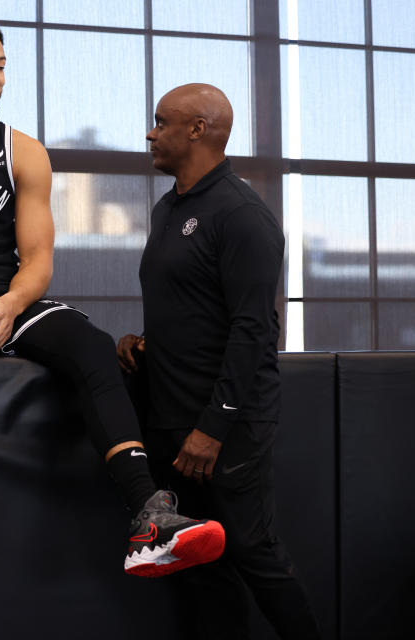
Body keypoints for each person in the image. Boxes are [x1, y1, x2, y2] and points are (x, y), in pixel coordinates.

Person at [0, 16, 225, 622]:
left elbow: (40, 259)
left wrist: (10, 305)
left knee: (90, 343)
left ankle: (149, 514)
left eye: (0, 65)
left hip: (6, 297)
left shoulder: (23, 150)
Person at [117, 83, 321, 638]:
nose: (150, 133)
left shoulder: (242, 214)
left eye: (161, 122)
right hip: (171, 419)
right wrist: (143, 343)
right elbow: (192, 307)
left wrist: (213, 428)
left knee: (256, 553)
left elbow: (254, 330)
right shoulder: (168, 210)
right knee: (202, 565)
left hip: (224, 428)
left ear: (198, 130)